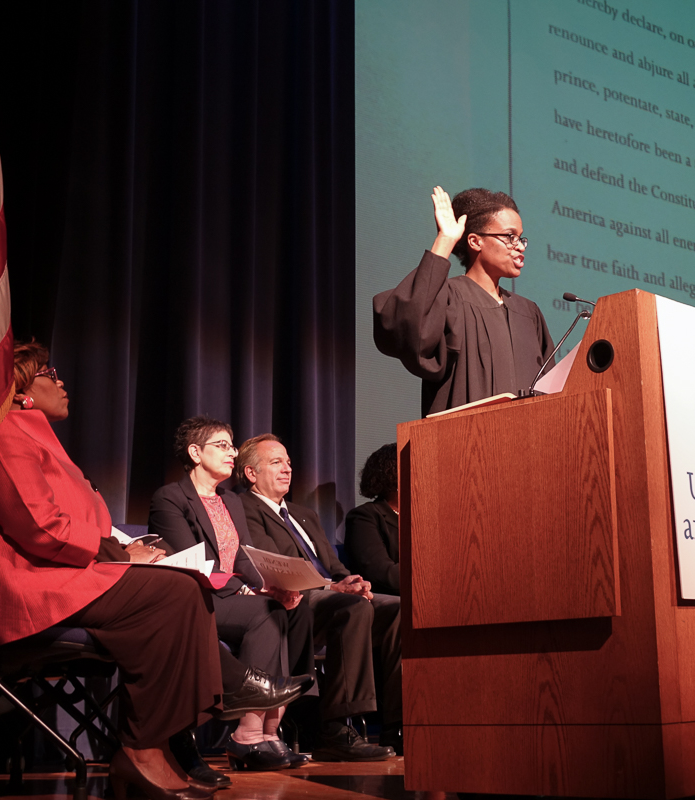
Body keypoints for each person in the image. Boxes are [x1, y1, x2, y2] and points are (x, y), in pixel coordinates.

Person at [0, 342, 230, 800]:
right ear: (20, 389)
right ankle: (141, 750)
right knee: (174, 594)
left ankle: (158, 744)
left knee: (184, 587)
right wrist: (117, 554)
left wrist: (127, 547)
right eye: (49, 373)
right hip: (22, 580)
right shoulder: (6, 432)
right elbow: (37, 526)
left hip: (63, 570)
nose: (61, 382)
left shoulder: (39, 436)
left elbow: (77, 524)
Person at [148, 416, 314, 772]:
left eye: (232, 445)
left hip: (232, 596)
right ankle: (247, 734)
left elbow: (243, 554)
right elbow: (189, 561)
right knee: (264, 612)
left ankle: (269, 732)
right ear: (195, 452)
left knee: (292, 607)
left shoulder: (231, 501)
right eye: (222, 446)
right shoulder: (170, 498)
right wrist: (249, 589)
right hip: (196, 600)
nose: (233, 453)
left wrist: (271, 584)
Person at [236, 434, 401, 759]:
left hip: (329, 595)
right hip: (289, 600)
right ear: (251, 473)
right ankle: (337, 727)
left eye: (289, 463)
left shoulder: (303, 513)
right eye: (276, 463)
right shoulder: (244, 508)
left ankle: (399, 724)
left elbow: (333, 566)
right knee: (352, 608)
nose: (287, 470)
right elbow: (270, 565)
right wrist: (332, 588)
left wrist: (351, 581)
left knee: (398, 610)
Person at [373, 185, 555, 416]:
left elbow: (551, 389)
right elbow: (404, 327)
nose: (519, 246)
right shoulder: (447, 298)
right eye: (509, 237)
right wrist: (445, 240)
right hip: (465, 444)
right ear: (475, 241)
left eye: (521, 238)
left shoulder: (528, 313)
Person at [344, 444, 400, 596]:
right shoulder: (364, 517)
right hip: (391, 599)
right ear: (393, 475)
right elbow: (382, 575)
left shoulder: (426, 519)